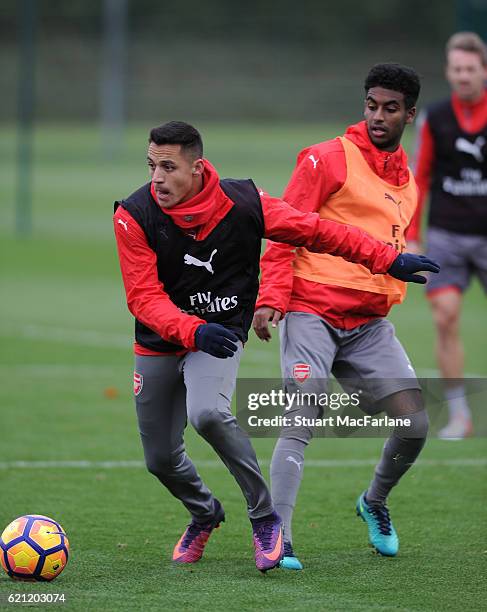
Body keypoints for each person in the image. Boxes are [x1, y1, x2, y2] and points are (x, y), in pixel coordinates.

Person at [113, 121, 437, 572]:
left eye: (168, 167)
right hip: (161, 340)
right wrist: (191, 329)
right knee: (160, 460)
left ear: (197, 168)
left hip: (218, 336)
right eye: (152, 167)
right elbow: (143, 297)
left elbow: (319, 231)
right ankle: (205, 513)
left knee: (207, 412)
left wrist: (388, 259)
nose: (157, 179)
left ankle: (265, 518)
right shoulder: (132, 214)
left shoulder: (245, 203)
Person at [253, 64, 431, 569]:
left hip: (369, 326)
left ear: (409, 115)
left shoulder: (409, 183)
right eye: (371, 105)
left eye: (390, 108)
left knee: (415, 424)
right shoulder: (326, 158)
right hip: (312, 312)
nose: (378, 116)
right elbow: (284, 226)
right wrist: (271, 297)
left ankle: (374, 502)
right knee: (301, 414)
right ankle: (278, 536)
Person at [408, 32, 487, 439]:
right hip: (446, 234)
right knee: (446, 315)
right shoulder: (435, 117)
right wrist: (411, 234)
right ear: (448, 71)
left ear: (483, 71)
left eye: (470, 69)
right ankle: (460, 415)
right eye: (457, 69)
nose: (463, 76)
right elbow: (418, 176)